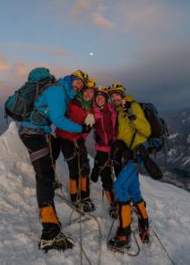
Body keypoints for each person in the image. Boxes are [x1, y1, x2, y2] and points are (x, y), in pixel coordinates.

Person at [19, 69, 91, 251]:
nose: (78, 86)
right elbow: (58, 119)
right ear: (70, 79)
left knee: (46, 175)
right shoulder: (57, 91)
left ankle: (50, 225)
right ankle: (49, 233)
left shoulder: (61, 92)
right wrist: (80, 128)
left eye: (81, 85)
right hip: (32, 133)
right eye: (77, 82)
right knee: (45, 178)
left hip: (36, 132)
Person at [107, 82, 151, 251]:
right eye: (112, 95)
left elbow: (145, 130)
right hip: (127, 155)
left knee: (119, 186)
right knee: (134, 191)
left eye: (117, 94)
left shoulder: (132, 107)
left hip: (136, 154)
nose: (114, 97)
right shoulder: (118, 112)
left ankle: (124, 234)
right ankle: (144, 224)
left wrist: (131, 114)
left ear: (123, 95)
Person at [56, 78, 96, 212]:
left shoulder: (90, 108)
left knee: (84, 167)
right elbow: (61, 117)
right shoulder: (72, 102)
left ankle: (85, 196)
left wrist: (83, 136)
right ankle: (75, 198)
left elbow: (86, 128)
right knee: (74, 168)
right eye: (86, 91)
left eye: (91, 93)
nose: (88, 94)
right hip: (65, 138)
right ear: (82, 91)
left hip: (78, 138)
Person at [90, 86, 117, 218]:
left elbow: (116, 128)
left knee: (118, 176)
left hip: (114, 148)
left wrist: (116, 142)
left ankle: (121, 201)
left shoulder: (112, 111)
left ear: (106, 99)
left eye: (102, 97)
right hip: (101, 149)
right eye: (97, 97)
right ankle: (113, 204)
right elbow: (87, 126)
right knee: (106, 178)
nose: (99, 99)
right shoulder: (92, 111)